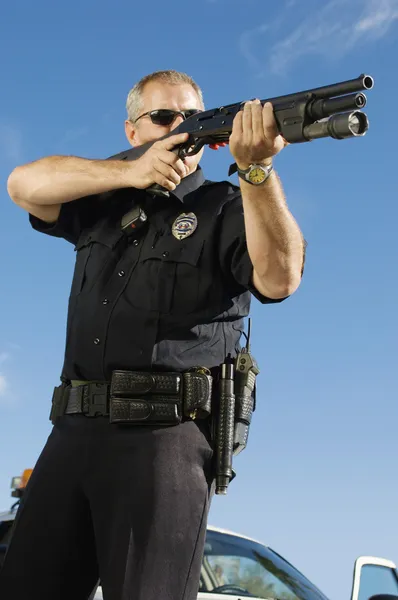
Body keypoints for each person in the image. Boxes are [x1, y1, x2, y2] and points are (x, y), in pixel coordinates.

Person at [0, 70, 305, 600]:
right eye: (164, 117)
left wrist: (256, 171)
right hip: (72, 433)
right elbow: (22, 184)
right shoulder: (102, 201)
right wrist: (129, 175)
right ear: (132, 130)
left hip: (165, 441)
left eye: (191, 117)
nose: (180, 128)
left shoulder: (227, 207)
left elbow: (281, 278)